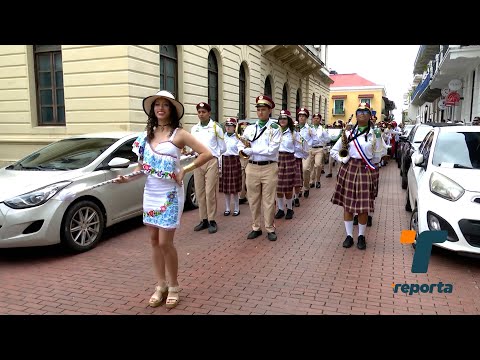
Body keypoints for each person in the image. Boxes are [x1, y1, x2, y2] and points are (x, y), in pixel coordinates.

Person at [115, 90, 212, 309]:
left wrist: (185, 170)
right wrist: (126, 178)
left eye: (165, 105)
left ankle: (174, 285)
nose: (160, 108)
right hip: (150, 192)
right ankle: (160, 285)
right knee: (153, 241)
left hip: (170, 195)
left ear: (171, 110)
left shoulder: (180, 134)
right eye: (156, 104)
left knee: (165, 242)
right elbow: (142, 168)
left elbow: (207, 153)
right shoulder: (145, 136)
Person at [330, 103, 383, 250]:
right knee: (348, 206)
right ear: (356, 114)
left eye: (365, 112)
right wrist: (343, 159)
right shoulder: (347, 134)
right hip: (349, 169)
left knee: (363, 207)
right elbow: (334, 151)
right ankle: (349, 236)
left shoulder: (375, 134)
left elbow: (379, 155)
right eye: (359, 111)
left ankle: (361, 236)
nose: (362, 114)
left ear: (370, 116)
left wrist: (374, 163)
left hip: (366, 170)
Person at [237, 95, 281, 241]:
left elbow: (272, 150)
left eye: (263, 109)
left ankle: (270, 227)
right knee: (253, 199)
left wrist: (252, 150)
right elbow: (240, 143)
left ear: (269, 111)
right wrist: (242, 150)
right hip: (252, 167)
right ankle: (256, 227)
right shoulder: (249, 129)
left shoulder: (275, 128)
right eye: (259, 109)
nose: (260, 112)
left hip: (269, 167)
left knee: (268, 200)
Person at [190, 102, 226, 234]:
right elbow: (192, 146)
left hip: (211, 161)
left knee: (210, 192)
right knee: (199, 192)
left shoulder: (216, 127)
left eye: (203, 112)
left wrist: (213, 155)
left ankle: (212, 220)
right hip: (198, 161)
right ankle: (203, 219)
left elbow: (223, 147)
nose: (201, 114)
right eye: (199, 112)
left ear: (209, 113)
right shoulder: (194, 129)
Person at [275, 110, 301, 220]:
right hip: (277, 159)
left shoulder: (294, 133)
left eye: (285, 119)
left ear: (288, 120)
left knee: (288, 187)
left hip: (289, 160)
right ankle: (281, 209)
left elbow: (299, 147)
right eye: (280, 118)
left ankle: (290, 209)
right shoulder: (275, 132)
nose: (282, 120)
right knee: (278, 187)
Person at [220, 117, 242, 216]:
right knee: (226, 188)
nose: (228, 128)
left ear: (234, 127)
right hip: (225, 161)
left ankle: (237, 208)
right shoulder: (222, 137)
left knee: (234, 188)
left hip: (234, 160)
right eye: (227, 125)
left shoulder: (238, 137)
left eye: (230, 126)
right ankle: (227, 208)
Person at [296, 107, 318, 198]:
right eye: (300, 116)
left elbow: (316, 139)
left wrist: (309, 144)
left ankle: (306, 187)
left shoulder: (310, 128)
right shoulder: (294, 127)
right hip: (296, 152)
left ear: (306, 118)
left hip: (306, 152)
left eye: (303, 116)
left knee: (305, 169)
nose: (301, 117)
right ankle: (299, 189)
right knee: (298, 171)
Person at [309, 113, 331, 189]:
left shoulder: (322, 129)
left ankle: (318, 180)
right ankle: (311, 181)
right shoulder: (309, 128)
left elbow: (328, 139)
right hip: (310, 148)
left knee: (318, 165)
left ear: (320, 120)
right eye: (314, 118)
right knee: (311, 166)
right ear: (312, 119)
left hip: (319, 148)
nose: (316, 119)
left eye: (317, 118)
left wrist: (321, 141)